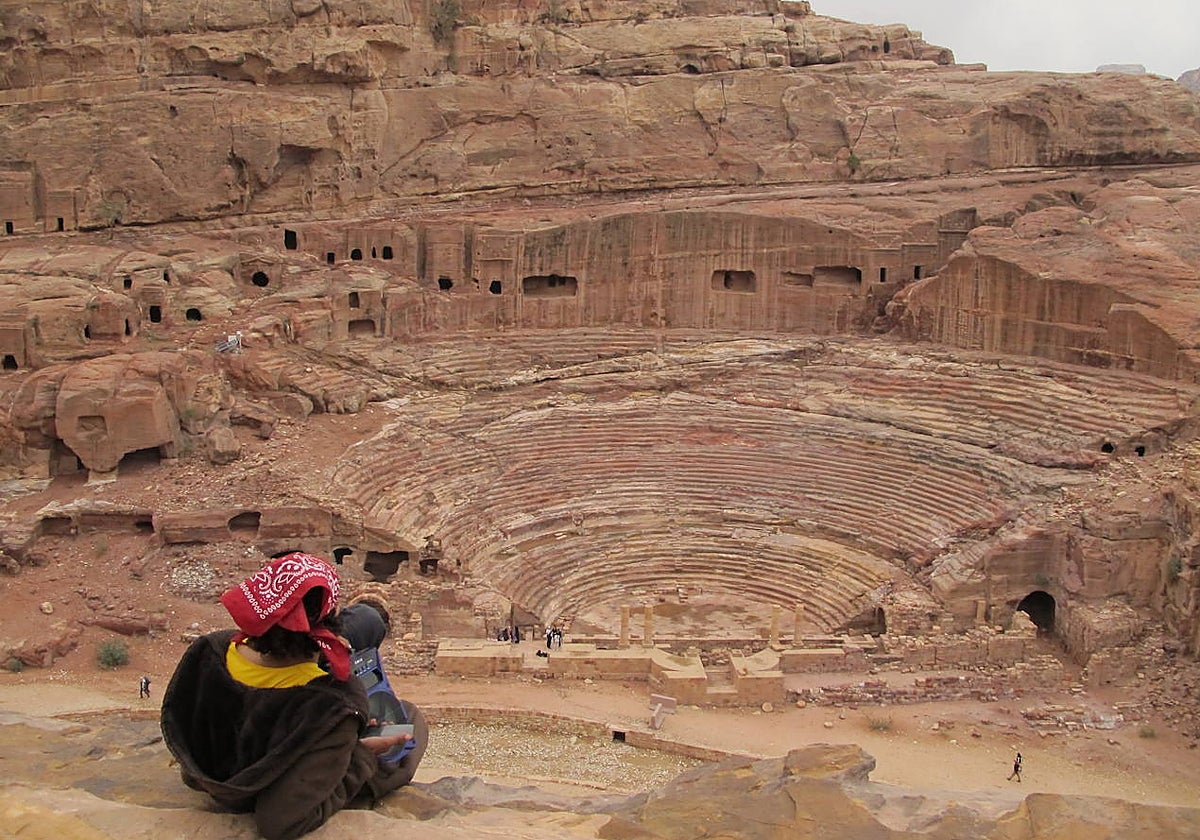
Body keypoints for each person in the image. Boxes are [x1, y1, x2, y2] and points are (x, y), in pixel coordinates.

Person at [160, 552, 427, 840]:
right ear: (330, 625)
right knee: (410, 720)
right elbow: (280, 822)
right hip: (262, 788)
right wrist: (360, 755)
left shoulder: (210, 649)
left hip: (212, 771)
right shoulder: (331, 703)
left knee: (366, 621)